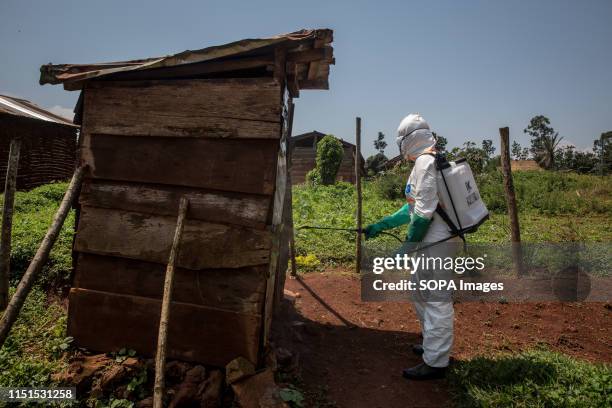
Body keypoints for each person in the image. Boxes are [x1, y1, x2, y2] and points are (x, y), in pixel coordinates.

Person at [364, 113, 459, 380]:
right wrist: (381, 225)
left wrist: (402, 251)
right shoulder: (423, 163)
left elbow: (422, 216)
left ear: (407, 141)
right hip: (428, 244)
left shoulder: (426, 163)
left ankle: (437, 363)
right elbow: (412, 209)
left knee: (437, 300)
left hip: (437, 245)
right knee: (419, 293)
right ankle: (432, 345)